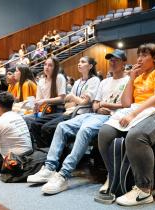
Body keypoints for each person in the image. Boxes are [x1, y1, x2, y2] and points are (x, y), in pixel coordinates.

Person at [27, 49, 129, 195]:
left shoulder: (128, 81)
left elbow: (126, 105)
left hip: (114, 117)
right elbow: (95, 104)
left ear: (124, 62)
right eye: (110, 60)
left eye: (116, 60)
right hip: (95, 114)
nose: (112, 62)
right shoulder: (105, 82)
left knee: (85, 129)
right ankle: (49, 168)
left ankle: (63, 174)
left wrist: (104, 105)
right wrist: (99, 106)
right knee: (62, 126)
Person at [98, 43, 155, 206]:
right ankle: (114, 176)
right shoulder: (138, 77)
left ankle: (144, 190)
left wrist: (133, 114)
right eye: (138, 55)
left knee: (137, 136)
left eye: (144, 55)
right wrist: (131, 78)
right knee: (105, 133)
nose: (139, 59)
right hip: (142, 114)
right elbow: (126, 103)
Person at [27, 56, 100, 148]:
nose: (79, 64)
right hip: (69, 112)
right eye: (79, 61)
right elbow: (68, 103)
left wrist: (73, 98)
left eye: (82, 62)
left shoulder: (94, 80)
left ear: (90, 66)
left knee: (47, 128)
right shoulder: (77, 82)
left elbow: (84, 102)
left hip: (81, 114)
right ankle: (44, 150)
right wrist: (75, 100)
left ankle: (52, 152)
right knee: (35, 124)